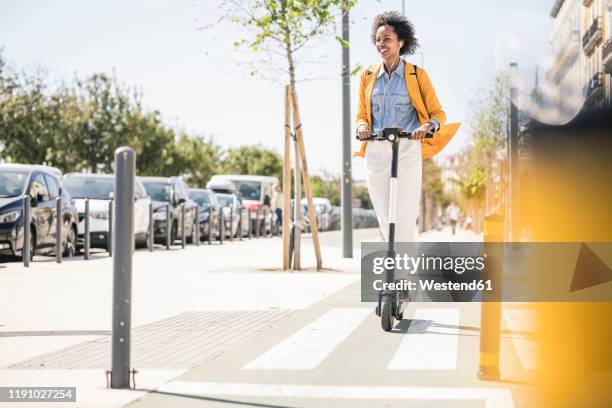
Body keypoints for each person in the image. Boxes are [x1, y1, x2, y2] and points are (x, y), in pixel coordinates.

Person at [354, 11, 450, 242]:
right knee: (384, 213)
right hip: (376, 149)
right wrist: (361, 127)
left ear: (401, 42)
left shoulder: (417, 75)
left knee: (404, 214)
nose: (381, 44)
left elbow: (438, 113)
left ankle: (402, 273)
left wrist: (427, 125)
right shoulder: (367, 76)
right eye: (378, 40)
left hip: (407, 148)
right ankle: (393, 265)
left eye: (386, 39)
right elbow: (361, 114)